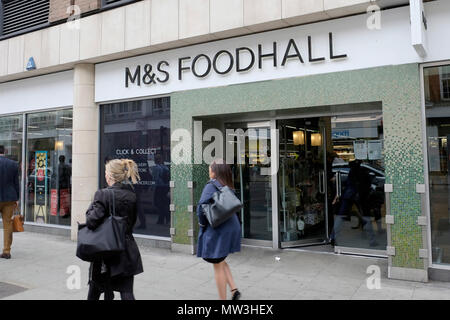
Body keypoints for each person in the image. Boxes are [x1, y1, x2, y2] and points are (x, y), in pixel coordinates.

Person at [85, 159, 144, 300]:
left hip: (105, 252)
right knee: (127, 291)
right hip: (126, 249)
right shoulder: (131, 196)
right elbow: (133, 222)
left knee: (95, 289)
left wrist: (90, 207)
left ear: (110, 176)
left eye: (106, 172)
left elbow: (91, 222)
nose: (105, 175)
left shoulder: (102, 194)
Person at [197, 159, 242, 300]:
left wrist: (202, 225)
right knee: (220, 259)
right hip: (232, 227)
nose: (208, 171)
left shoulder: (211, 186)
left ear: (215, 172)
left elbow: (201, 208)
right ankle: (234, 290)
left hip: (219, 229)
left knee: (217, 264)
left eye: (210, 168)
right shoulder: (227, 185)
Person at [0, 145, 20, 259]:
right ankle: (6, 251)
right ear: (4, 152)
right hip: (9, 198)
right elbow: (16, 183)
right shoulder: (13, 164)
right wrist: (16, 198)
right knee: (7, 225)